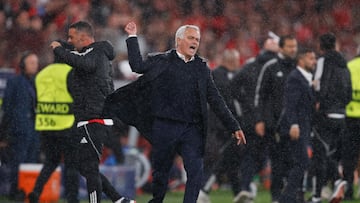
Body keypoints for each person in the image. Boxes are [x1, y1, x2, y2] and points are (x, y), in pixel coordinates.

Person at [103, 21, 246, 203]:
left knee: (196, 170)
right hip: (165, 126)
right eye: (191, 38)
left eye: (197, 39)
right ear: (179, 40)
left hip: (191, 129)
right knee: (161, 173)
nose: (195, 42)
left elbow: (216, 99)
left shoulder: (201, 68)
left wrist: (234, 125)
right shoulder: (162, 61)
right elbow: (137, 66)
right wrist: (132, 37)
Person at [49, 21, 135, 203]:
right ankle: (119, 200)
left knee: (89, 167)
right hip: (86, 119)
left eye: (72, 37)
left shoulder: (97, 51)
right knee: (85, 167)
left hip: (95, 119)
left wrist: (59, 50)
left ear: (83, 37)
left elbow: (84, 63)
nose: (69, 40)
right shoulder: (84, 61)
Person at [230, 37, 279, 203]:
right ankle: (277, 194)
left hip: (250, 118)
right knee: (275, 157)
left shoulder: (250, 66)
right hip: (272, 119)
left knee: (250, 156)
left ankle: (246, 186)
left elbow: (233, 86)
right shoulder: (276, 68)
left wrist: (246, 104)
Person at [254, 35, 298, 203]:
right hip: (275, 125)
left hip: (297, 124)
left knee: (296, 162)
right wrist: (259, 119)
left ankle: (293, 195)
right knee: (278, 164)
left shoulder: (299, 67)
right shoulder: (271, 67)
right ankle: (276, 197)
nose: (293, 50)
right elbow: (260, 95)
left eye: (294, 46)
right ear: (281, 48)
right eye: (289, 46)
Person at [28, 62, 80, 203]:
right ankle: (72, 199)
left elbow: (35, 99)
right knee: (72, 165)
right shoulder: (70, 71)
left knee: (50, 162)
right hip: (66, 125)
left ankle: (36, 191)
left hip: (47, 126)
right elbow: (77, 96)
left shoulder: (42, 73)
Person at [309, 33, 352, 203]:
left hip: (325, 114)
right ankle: (318, 195)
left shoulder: (323, 61)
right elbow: (348, 90)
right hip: (341, 115)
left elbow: (319, 83)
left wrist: (319, 100)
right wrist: (341, 106)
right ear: (335, 45)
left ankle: (336, 180)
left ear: (321, 46)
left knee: (320, 154)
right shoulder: (344, 64)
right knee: (329, 154)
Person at [197, 49, 243, 203]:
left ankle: (238, 193)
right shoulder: (221, 76)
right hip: (221, 125)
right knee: (223, 158)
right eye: (236, 60)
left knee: (230, 160)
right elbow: (227, 102)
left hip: (218, 123)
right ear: (230, 61)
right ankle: (204, 190)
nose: (238, 64)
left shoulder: (217, 75)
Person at [277, 48, 316, 203]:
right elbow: (290, 104)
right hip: (297, 126)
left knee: (298, 162)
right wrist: (293, 124)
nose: (314, 61)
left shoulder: (305, 78)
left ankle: (296, 197)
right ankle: (286, 198)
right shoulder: (295, 78)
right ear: (301, 60)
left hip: (304, 126)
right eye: (311, 58)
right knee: (302, 161)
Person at [1, 51, 40, 201]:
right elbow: (7, 108)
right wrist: (4, 133)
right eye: (31, 62)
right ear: (23, 65)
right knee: (18, 161)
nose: (35, 66)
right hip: (19, 129)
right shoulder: (14, 82)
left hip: (35, 128)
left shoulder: (38, 81)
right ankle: (16, 190)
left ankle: (29, 190)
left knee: (32, 160)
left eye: (36, 63)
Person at [342, 45, 360, 201]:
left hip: (350, 116)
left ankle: (348, 189)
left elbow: (343, 90)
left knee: (349, 156)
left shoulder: (349, 66)